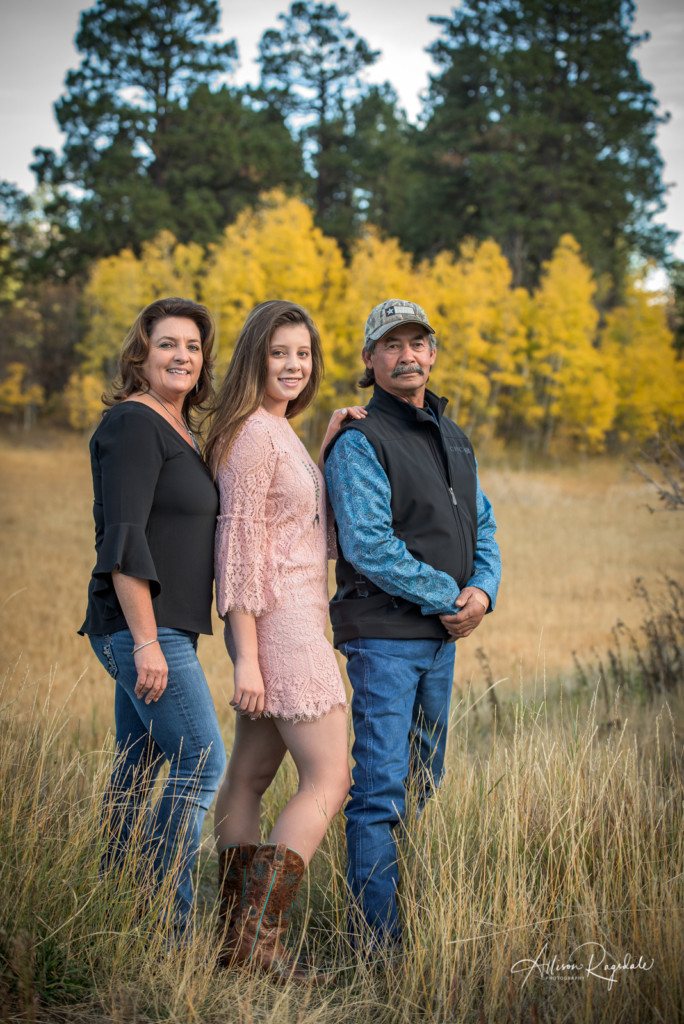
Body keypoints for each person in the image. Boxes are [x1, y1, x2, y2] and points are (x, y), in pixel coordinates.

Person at [323, 298, 502, 948]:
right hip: (384, 639)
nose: (407, 355)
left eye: (417, 343)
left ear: (432, 353)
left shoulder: (453, 437)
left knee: (424, 781)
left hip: (438, 639)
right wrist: (449, 597)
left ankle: (412, 917)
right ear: (369, 361)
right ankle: (373, 946)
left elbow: (482, 522)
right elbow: (369, 546)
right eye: (390, 345)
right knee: (379, 791)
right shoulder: (360, 439)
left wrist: (483, 590)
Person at [205, 299, 360, 981]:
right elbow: (237, 551)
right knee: (332, 778)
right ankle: (256, 942)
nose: (293, 364)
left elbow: (294, 522)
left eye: (302, 353)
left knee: (252, 776)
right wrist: (247, 658)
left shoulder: (274, 430)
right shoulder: (253, 436)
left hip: (286, 621)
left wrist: (322, 447)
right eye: (279, 352)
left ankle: (233, 941)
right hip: (284, 625)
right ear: (254, 358)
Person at [79, 296, 226, 930]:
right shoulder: (134, 424)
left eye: (192, 347)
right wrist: (146, 643)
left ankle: (113, 909)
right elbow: (124, 537)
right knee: (201, 761)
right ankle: (166, 926)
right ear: (141, 354)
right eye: (168, 343)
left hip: (165, 628)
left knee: (137, 768)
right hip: (144, 626)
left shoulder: (180, 428)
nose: (182, 356)